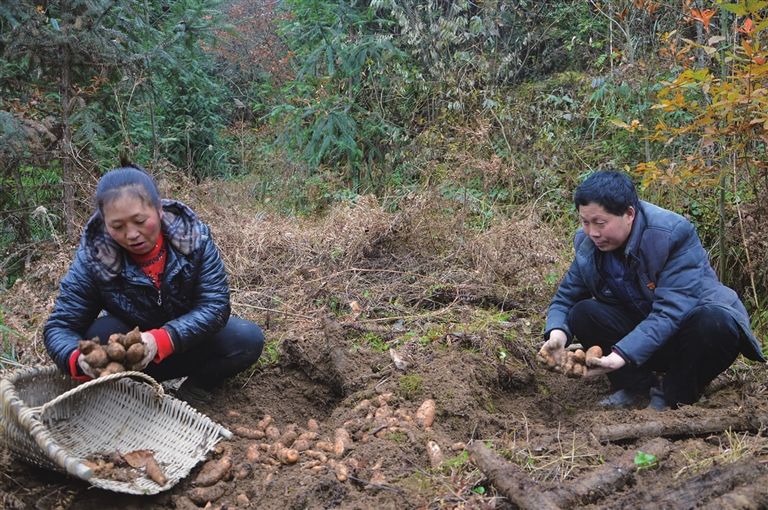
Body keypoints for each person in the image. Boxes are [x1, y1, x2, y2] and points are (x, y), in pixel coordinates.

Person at [539, 170, 764, 410]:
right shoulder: (589, 244)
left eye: (600, 223)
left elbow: (670, 312)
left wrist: (618, 357)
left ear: (629, 214)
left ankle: (673, 394)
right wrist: (557, 336)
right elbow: (566, 297)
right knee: (583, 312)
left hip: (690, 336)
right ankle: (636, 387)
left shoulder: (672, 234)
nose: (592, 232)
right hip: (644, 335)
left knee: (716, 323)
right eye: (585, 222)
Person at [44, 164, 265, 403]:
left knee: (246, 339)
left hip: (186, 343)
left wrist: (161, 340)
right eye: (117, 226)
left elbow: (215, 306)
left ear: (159, 209)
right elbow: (60, 326)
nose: (131, 234)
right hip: (133, 361)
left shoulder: (194, 239)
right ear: (104, 222)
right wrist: (78, 359)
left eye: (140, 221)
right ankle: (130, 394)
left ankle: (196, 387)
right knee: (97, 334)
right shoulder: (94, 257)